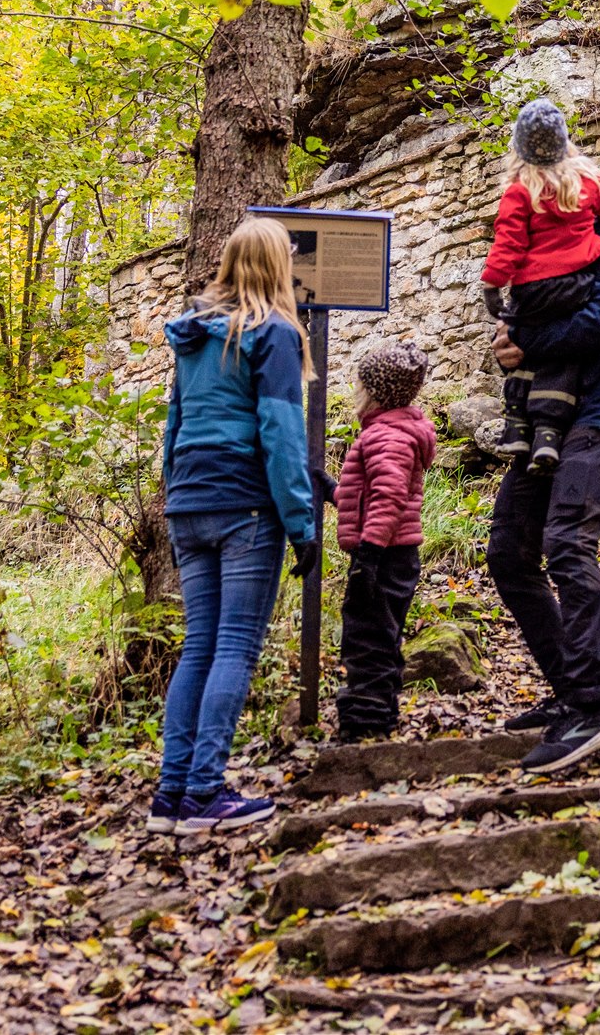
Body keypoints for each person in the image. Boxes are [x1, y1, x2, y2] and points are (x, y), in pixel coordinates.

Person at [147, 216, 320, 835]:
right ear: (278, 265)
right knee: (235, 646)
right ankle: (204, 792)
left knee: (199, 646)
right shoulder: (273, 334)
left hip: (190, 502)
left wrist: (176, 501)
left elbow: (174, 428)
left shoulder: (192, 336)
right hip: (246, 505)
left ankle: (172, 795)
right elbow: (279, 433)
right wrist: (301, 524)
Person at [486, 204, 600, 775]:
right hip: (547, 419)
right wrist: (508, 342)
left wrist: (525, 338)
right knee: (508, 551)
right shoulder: (538, 248)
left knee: (569, 543)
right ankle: (566, 686)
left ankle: (590, 706)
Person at [480, 99, 600, 475]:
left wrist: (492, 283)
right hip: (575, 284)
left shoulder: (519, 192)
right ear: (565, 144)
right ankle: (547, 435)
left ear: (519, 149)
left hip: (532, 289)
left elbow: (509, 243)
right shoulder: (585, 184)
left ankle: (517, 425)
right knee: (558, 354)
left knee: (524, 340)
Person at [330, 342, 435, 742]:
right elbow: (369, 496)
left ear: (373, 391)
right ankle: (380, 710)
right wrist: (332, 491)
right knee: (381, 631)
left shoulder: (386, 435)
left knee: (367, 635)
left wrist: (369, 555)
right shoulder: (391, 431)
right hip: (395, 552)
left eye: (359, 384)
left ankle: (367, 720)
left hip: (384, 555)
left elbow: (388, 499)